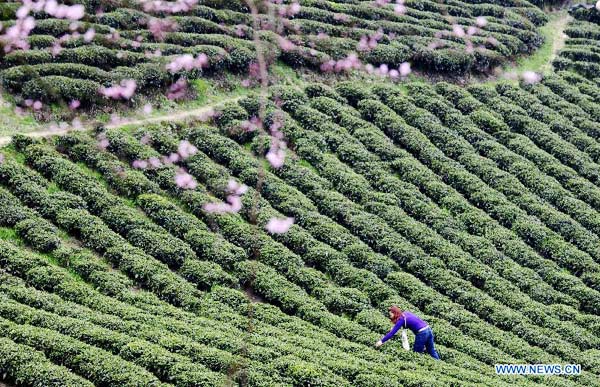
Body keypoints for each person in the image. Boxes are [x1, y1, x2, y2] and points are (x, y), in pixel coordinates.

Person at [375, 306, 440, 360]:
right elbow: (415, 323)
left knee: (416, 354)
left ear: (394, 313)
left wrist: (381, 341)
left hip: (422, 333)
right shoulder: (406, 313)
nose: (390, 316)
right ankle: (438, 363)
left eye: (390, 314)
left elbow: (392, 333)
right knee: (431, 350)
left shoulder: (401, 319)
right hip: (428, 329)